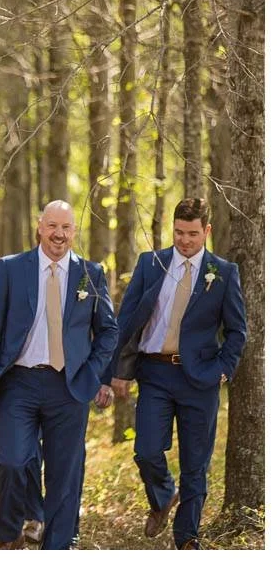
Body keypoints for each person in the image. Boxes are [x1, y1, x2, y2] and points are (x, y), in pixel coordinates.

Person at [0, 200, 118, 549]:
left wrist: (93, 373)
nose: (59, 234)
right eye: (52, 226)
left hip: (69, 385)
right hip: (19, 382)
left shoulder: (90, 273)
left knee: (64, 474)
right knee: (12, 460)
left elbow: (108, 331)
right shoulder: (12, 268)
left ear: (74, 231)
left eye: (66, 227)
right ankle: (9, 532)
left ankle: (58, 546)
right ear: (39, 227)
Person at [110, 198, 247, 550]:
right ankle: (162, 496)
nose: (184, 240)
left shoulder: (223, 272)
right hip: (154, 373)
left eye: (192, 234)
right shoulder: (150, 263)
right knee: (146, 450)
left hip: (200, 378)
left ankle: (187, 538)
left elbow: (237, 331)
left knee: (195, 464)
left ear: (207, 231)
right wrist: (118, 371)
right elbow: (128, 321)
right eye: (179, 232)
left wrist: (223, 369)